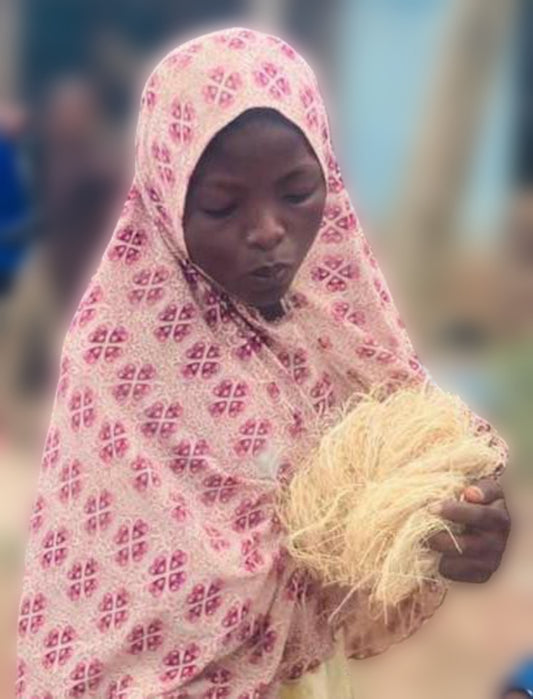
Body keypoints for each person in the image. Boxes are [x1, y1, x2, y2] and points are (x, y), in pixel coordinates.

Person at [15, 28, 510, 697]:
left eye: (298, 191)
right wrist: (316, 541)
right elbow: (120, 600)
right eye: (221, 203)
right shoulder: (119, 357)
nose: (269, 231)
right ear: (166, 195)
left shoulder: (332, 330)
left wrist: (448, 526)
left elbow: (391, 501)